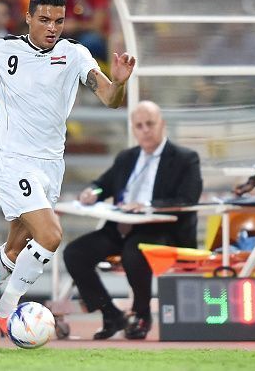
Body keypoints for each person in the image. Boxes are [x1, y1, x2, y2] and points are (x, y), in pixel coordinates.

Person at [0, 0, 136, 346]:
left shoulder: (74, 53)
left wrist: (118, 82)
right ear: (28, 18)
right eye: (44, 19)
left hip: (50, 165)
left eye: (58, 20)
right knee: (50, 235)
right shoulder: (4, 47)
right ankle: (6, 308)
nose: (52, 27)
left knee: (15, 249)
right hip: (13, 160)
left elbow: (110, 99)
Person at [63, 100, 203, 340]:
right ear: (133, 129)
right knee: (74, 252)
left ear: (162, 124)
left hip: (164, 231)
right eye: (139, 125)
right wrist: (92, 193)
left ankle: (141, 314)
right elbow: (102, 185)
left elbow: (188, 199)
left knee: (135, 250)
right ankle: (111, 314)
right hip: (121, 228)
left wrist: (147, 206)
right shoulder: (127, 157)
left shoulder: (185, 158)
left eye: (150, 124)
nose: (145, 130)